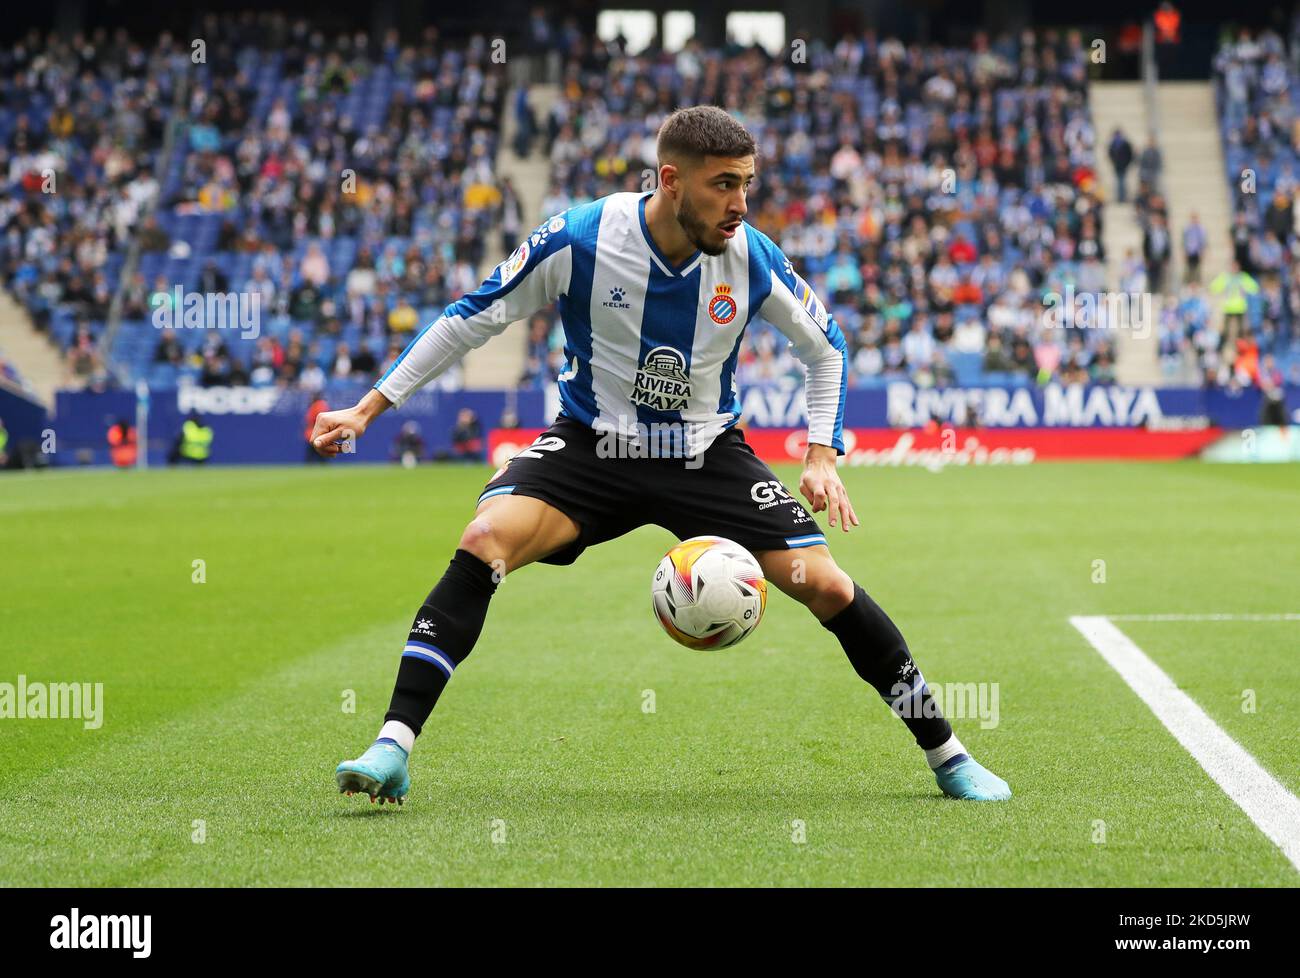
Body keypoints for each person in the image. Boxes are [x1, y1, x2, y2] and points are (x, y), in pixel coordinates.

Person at [312, 106, 1010, 805]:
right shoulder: (580, 238)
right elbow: (475, 314)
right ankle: (393, 745)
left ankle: (948, 756)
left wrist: (823, 453)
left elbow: (825, 349)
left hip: (706, 453)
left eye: (748, 184)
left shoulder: (752, 258)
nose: (740, 205)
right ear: (672, 180)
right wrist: (370, 407)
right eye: (724, 185)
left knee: (826, 584)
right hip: (593, 446)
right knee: (484, 540)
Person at [1107, 128, 1133, 203]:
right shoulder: (1113, 144)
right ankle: (1119, 197)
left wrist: (1126, 163)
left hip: (1123, 166)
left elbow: (1130, 155)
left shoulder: (1125, 144)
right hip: (1117, 166)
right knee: (1118, 182)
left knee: (1122, 182)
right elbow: (1110, 154)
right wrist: (1113, 162)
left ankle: (1123, 197)